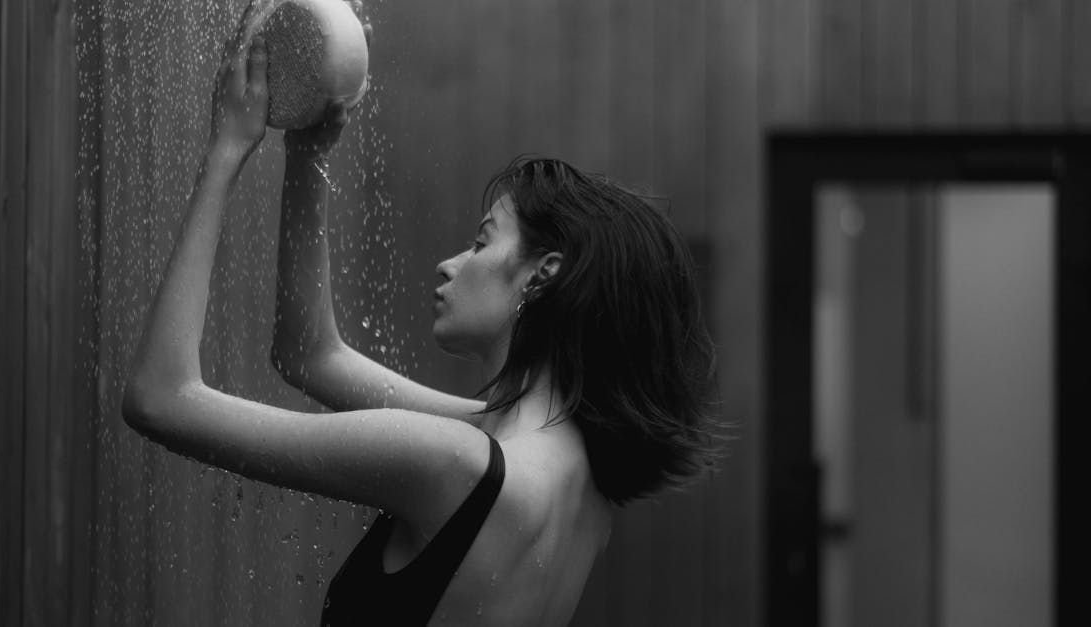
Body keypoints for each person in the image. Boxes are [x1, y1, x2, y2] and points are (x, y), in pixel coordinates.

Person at [123, 2, 721, 625]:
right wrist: (310, 154)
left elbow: (160, 398)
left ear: (545, 274)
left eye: (483, 241)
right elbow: (306, 354)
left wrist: (227, 148)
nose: (451, 264)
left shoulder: (453, 462)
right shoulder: (579, 482)